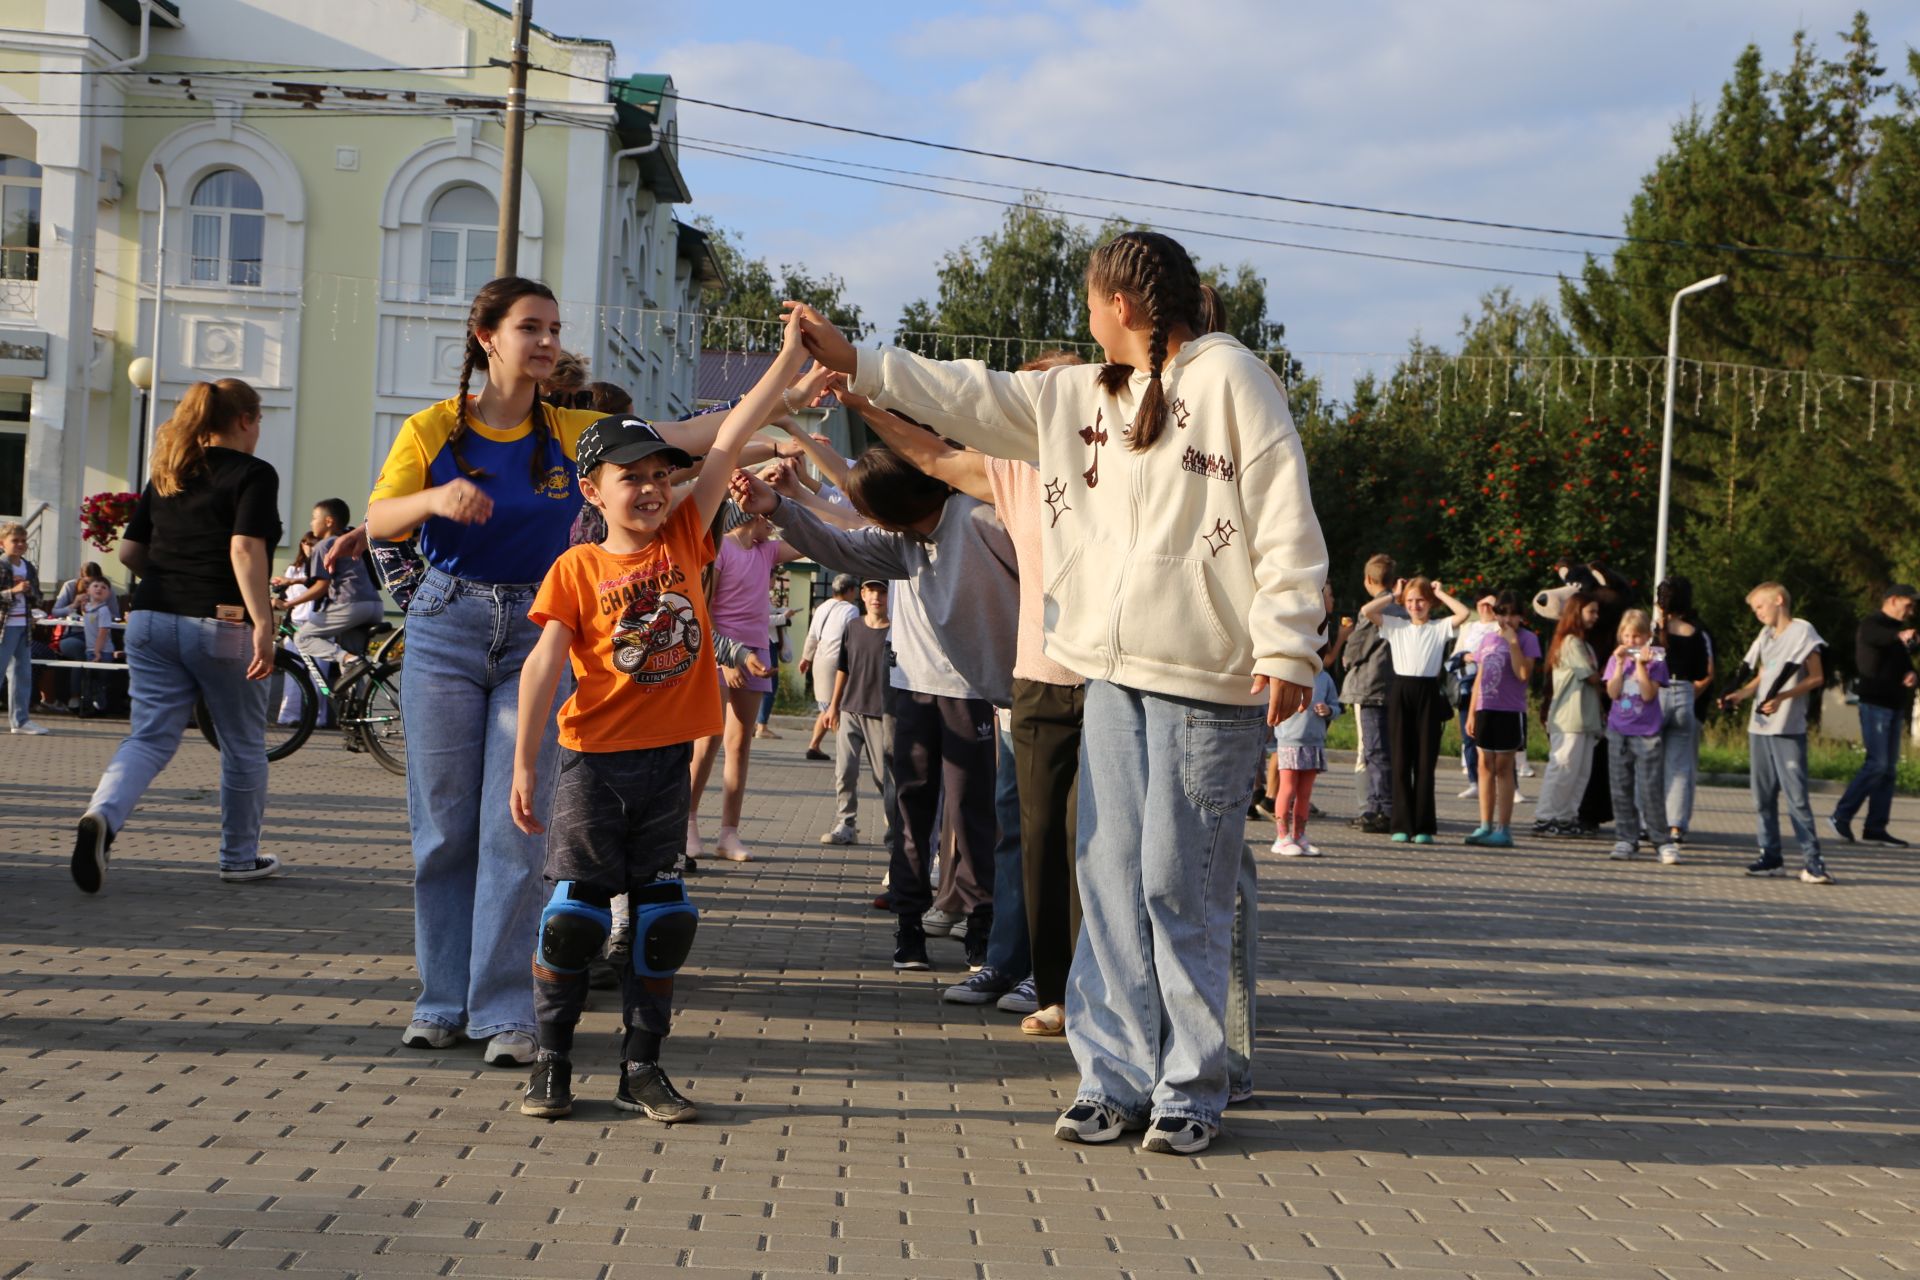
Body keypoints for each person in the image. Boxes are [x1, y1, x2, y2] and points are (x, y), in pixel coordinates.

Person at [784, 227, 1329, 1157]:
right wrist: (862, 362)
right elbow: (974, 394)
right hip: (1110, 674)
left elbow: (1284, 511)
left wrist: (1289, 648)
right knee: (1109, 876)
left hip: (1208, 678)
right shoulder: (1080, 397)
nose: (1083, 314)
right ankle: (1110, 1075)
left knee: (1179, 881)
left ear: (1120, 303)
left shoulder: (1233, 378)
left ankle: (1193, 1082)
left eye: (1088, 298)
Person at [365, 275, 792, 1066]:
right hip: (445, 627)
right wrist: (435, 501)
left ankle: (503, 1012)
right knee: (442, 830)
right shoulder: (432, 430)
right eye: (531, 327)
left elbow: (695, 433)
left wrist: (776, 414)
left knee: (514, 832)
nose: (549, 342)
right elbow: (378, 519)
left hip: (541, 628)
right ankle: (439, 1000)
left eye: (555, 328)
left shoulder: (571, 430)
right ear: (487, 335)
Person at [508, 318, 805, 1125]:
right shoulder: (576, 567)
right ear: (591, 490)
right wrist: (525, 764)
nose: (648, 488)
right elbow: (543, 664)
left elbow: (733, 433)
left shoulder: (685, 535)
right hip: (592, 763)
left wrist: (784, 360)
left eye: (657, 475)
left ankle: (642, 1067)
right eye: (627, 476)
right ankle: (551, 1062)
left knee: (663, 918)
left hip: (666, 761)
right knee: (573, 919)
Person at [739, 445, 1019, 975]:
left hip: (979, 691)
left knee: (973, 815)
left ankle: (981, 929)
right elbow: (840, 543)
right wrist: (778, 505)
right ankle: (908, 926)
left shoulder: (982, 520)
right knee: (909, 811)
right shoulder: (904, 538)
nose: (870, 520)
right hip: (910, 685)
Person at [68, 379, 282, 892]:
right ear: (245, 421)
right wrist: (264, 625)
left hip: (150, 619)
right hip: (222, 622)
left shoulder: (169, 473)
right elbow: (244, 551)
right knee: (243, 744)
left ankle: (103, 816)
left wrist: (171, 572)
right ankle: (237, 857)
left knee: (149, 736)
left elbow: (128, 554)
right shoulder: (254, 473)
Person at [687, 514, 807, 863]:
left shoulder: (767, 552)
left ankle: (729, 834)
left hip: (757, 653)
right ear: (754, 513)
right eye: (770, 513)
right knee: (707, 740)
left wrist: (795, 498)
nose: (774, 520)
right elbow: (704, 612)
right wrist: (725, 659)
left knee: (740, 745)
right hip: (720, 654)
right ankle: (688, 822)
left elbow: (809, 542)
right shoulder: (721, 547)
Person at [1719, 582, 1832, 884]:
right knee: (1762, 797)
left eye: (1759, 606)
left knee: (1796, 798)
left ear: (1779, 600)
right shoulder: (1765, 635)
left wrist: (1782, 697)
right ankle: (1771, 857)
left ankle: (1813, 862)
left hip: (1787, 728)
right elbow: (1763, 675)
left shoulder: (1803, 631)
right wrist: (1740, 695)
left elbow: (1817, 677)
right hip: (1759, 727)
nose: (1757, 613)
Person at [1361, 576, 1471, 844]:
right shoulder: (1396, 625)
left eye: (1420, 600)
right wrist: (1394, 595)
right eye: (1410, 601)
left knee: (1424, 763)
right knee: (1400, 760)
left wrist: (1440, 592)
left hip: (1428, 694)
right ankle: (1400, 824)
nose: (1415, 605)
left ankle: (1423, 826)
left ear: (1429, 602)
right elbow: (1367, 611)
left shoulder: (1439, 627)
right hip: (1401, 692)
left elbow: (1464, 613)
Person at [1829, 583, 1917, 848]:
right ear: (1892, 600)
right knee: (1876, 764)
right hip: (1875, 704)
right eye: (1908, 603)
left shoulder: (1899, 636)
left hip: (1894, 705)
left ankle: (1876, 827)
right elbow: (1881, 637)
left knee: (1888, 770)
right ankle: (1841, 816)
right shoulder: (1872, 624)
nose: (1912, 610)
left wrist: (1914, 675)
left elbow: (1905, 665)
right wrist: (1901, 636)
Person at [820, 579, 895, 851]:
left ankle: (894, 827)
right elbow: (843, 668)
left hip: (880, 713)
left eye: (883, 591)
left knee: (883, 776)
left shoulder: (896, 632)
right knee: (845, 770)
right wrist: (833, 706)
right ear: (862, 594)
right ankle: (846, 824)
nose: (877, 597)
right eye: (871, 591)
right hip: (850, 709)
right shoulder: (852, 627)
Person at [1601, 609, 1682, 864]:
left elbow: (1648, 695)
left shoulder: (1657, 661)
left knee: (1650, 789)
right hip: (1618, 730)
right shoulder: (1616, 660)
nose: (1631, 641)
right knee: (1620, 787)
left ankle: (1661, 840)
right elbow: (1612, 693)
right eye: (1626, 636)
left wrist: (1640, 665)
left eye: (1636, 636)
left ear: (1647, 637)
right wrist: (1619, 666)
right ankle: (1626, 837)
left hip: (1646, 732)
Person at [1462, 591, 1539, 848]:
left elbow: (1523, 674)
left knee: (1504, 767)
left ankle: (1503, 828)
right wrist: (1472, 712)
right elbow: (1480, 677)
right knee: (1484, 765)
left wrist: (1514, 643)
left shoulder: (1527, 639)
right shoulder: (1488, 640)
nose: (1507, 618)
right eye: (1502, 613)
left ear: (1520, 616)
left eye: (1512, 613)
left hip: (1509, 710)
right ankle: (1485, 824)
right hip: (1486, 707)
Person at [1533, 593, 1604, 837]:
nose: (1595, 617)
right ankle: (1545, 816)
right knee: (1563, 767)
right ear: (1577, 612)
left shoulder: (1585, 644)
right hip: (1569, 717)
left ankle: (1565, 816)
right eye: (1591, 611)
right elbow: (1591, 676)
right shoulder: (1570, 642)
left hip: (1587, 717)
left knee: (1580, 771)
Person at [1340, 555, 1400, 833]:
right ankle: (1380, 806)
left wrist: (1347, 660)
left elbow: (1355, 648)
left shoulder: (1374, 610)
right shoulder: (1399, 606)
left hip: (1370, 685)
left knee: (1373, 751)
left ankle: (1381, 809)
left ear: (1368, 580)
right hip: (1391, 684)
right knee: (1381, 749)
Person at [1654, 577, 1714, 844]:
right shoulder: (1696, 632)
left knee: (1651, 763)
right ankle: (1675, 825)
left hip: (1658, 695)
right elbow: (1704, 671)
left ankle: (1649, 821)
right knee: (1679, 767)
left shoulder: (1656, 631)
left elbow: (1647, 666)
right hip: (1685, 696)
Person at [1271, 641, 1342, 857]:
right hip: (1289, 741)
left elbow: (1337, 707)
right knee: (1288, 789)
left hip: (1314, 742)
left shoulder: (1325, 678)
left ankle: (1299, 835)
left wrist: (1329, 710)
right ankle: (1282, 837)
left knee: (1304, 793)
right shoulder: (1288, 675)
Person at [800, 573, 861, 762]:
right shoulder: (851, 610)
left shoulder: (822, 607)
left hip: (819, 660)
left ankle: (814, 746)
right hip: (837, 662)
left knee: (827, 707)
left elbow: (812, 635)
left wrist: (806, 658)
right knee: (834, 708)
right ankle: (845, 752)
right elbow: (851, 639)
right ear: (850, 590)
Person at [1450, 593, 1498, 800]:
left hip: (1493, 686)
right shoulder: (1469, 627)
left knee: (1494, 737)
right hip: (1468, 683)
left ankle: (1503, 782)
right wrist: (1465, 656)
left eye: (1490, 604)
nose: (1485, 608)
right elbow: (1454, 656)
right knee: (1468, 736)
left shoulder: (1500, 627)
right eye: (1482, 604)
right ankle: (1474, 781)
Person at [1, 521, 46, 734]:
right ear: (2, 543)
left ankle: (20, 721)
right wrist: (14, 591)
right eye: (15, 541)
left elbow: (38, 597)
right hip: (4, 627)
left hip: (23, 626)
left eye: (23, 541)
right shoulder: (1, 565)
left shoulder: (28, 567)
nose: (20, 544)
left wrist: (30, 594)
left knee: (22, 673)